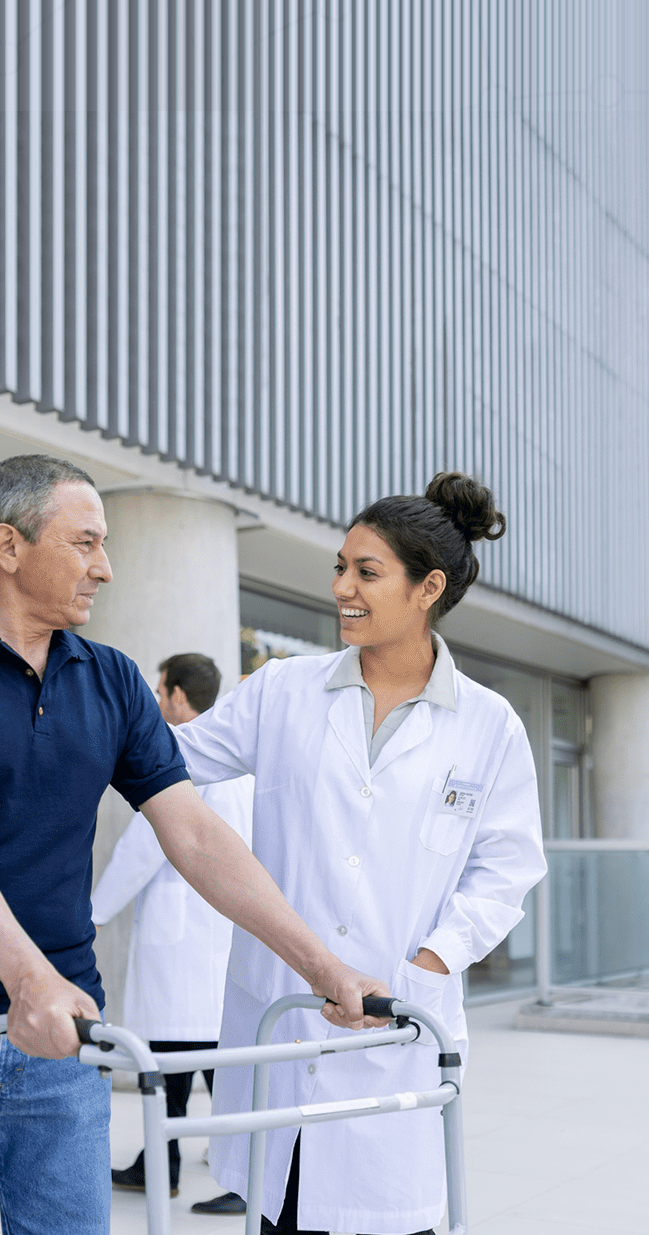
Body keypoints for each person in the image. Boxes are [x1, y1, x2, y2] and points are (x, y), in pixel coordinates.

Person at [0, 454, 388, 1235]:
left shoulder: (114, 680)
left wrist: (325, 968)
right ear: (8, 545)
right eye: (86, 542)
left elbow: (192, 833)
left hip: (64, 1032)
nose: (107, 567)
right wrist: (28, 981)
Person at [174, 472, 548, 1235]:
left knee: (387, 1214)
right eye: (339, 566)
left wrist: (431, 963)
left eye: (365, 571)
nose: (341, 586)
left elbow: (506, 868)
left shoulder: (488, 724)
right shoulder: (281, 691)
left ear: (427, 587)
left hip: (398, 1024)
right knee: (282, 1210)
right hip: (285, 1018)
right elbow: (164, 758)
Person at [92, 652, 255, 1200]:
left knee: (177, 1060)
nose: (157, 703)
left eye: (161, 692)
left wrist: (89, 915)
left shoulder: (181, 755)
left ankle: (232, 1175)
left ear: (180, 695)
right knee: (203, 1060)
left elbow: (143, 849)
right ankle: (162, 1164)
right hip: (214, 936)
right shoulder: (237, 759)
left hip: (182, 940)